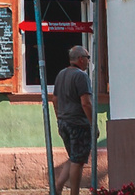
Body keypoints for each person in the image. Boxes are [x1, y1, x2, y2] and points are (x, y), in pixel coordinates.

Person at [52, 44, 94, 195]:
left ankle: (58, 186)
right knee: (78, 161)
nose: (89, 61)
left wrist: (59, 119)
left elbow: (54, 100)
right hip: (78, 123)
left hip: (64, 122)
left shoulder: (61, 74)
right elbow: (86, 102)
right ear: (81, 59)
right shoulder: (81, 76)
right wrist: (93, 123)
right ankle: (74, 192)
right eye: (88, 58)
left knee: (73, 157)